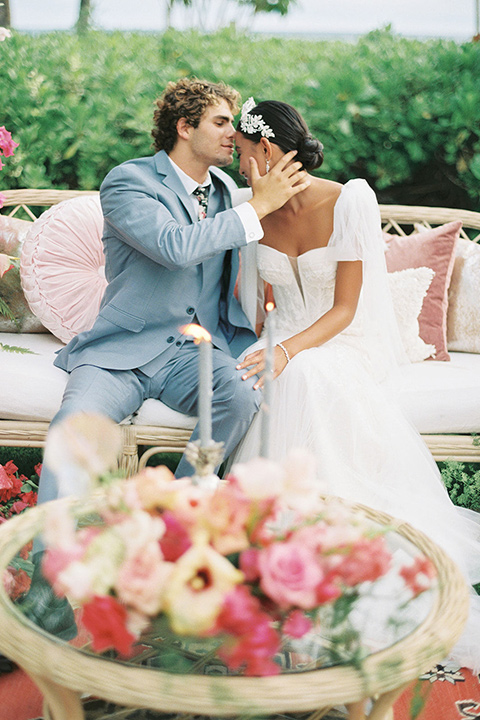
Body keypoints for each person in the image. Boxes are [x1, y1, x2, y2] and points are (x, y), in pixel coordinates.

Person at [231, 98, 480, 672]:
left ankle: (329, 554)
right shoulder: (251, 210)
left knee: (309, 375)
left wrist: (290, 350)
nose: (243, 167)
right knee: (269, 373)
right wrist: (270, 344)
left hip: (342, 342)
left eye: (245, 156)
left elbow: (346, 309)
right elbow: (260, 310)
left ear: (267, 150)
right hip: (286, 342)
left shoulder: (348, 200)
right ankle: (285, 562)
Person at [36, 78, 310, 505]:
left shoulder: (223, 189)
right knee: (71, 427)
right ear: (185, 127)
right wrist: (257, 207)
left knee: (240, 396)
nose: (232, 134)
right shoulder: (128, 181)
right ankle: (47, 565)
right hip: (121, 353)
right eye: (220, 123)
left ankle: (176, 515)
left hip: (191, 353)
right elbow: (174, 247)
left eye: (233, 124)